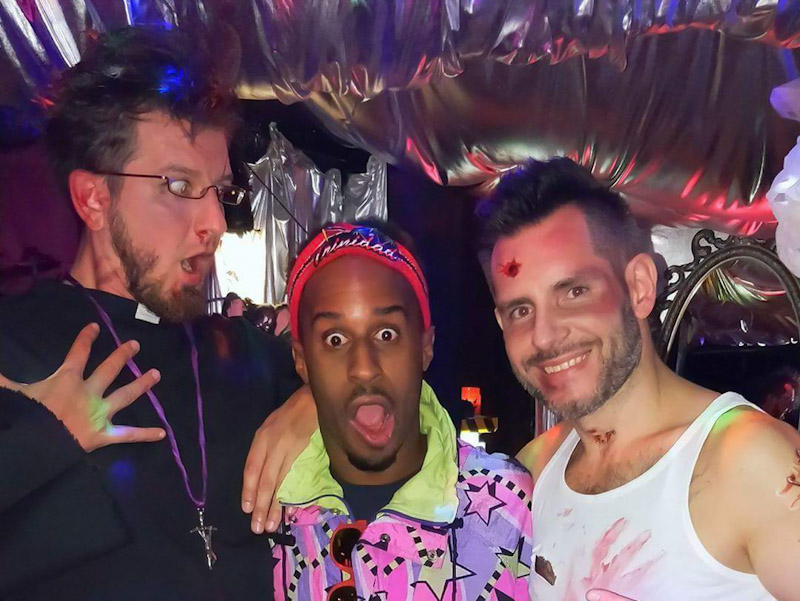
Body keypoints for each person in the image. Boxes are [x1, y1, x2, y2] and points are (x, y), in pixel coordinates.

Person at [0, 26, 313, 601]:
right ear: (94, 198)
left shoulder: (245, 352)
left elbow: (402, 410)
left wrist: (317, 400)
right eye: (178, 184)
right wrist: (42, 441)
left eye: (220, 191)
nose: (214, 223)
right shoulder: (13, 345)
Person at [476, 158, 800, 601]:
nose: (544, 336)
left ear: (639, 287)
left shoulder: (750, 461)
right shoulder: (531, 473)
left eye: (573, 292)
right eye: (520, 310)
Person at [269, 222, 534, 601]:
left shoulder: (507, 505)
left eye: (386, 334)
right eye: (335, 339)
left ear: (426, 346)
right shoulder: (271, 508)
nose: (364, 367)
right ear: (302, 360)